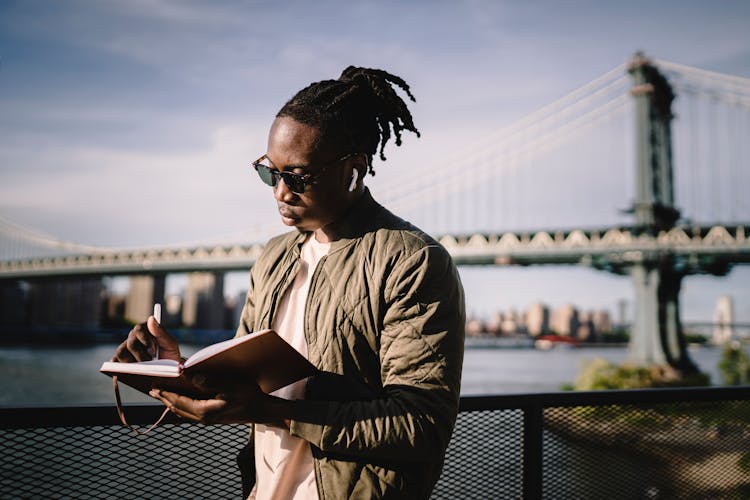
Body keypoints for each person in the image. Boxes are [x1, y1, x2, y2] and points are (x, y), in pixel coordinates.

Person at [112, 66, 465, 499]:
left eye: (298, 177)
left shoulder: (412, 261)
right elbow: (242, 385)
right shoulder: (274, 256)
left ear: (354, 169)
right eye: (270, 173)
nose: (280, 192)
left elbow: (421, 425)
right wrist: (177, 371)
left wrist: (271, 411)